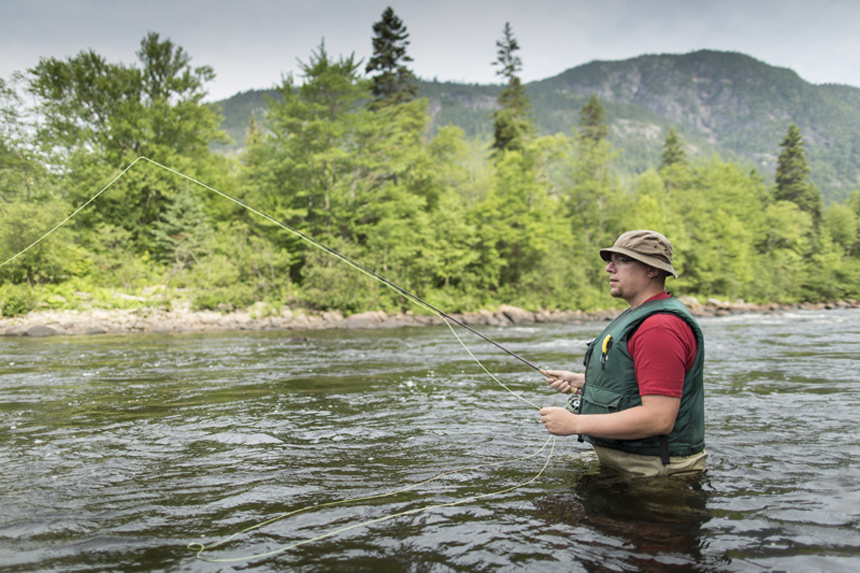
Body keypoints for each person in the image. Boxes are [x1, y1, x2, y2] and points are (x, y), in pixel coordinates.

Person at [539, 230, 706, 477]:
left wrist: (575, 423)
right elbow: (641, 384)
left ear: (652, 270)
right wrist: (585, 382)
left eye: (623, 260)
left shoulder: (660, 326)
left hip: (655, 476)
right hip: (633, 467)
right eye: (611, 260)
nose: (609, 268)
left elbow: (658, 418)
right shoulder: (642, 315)